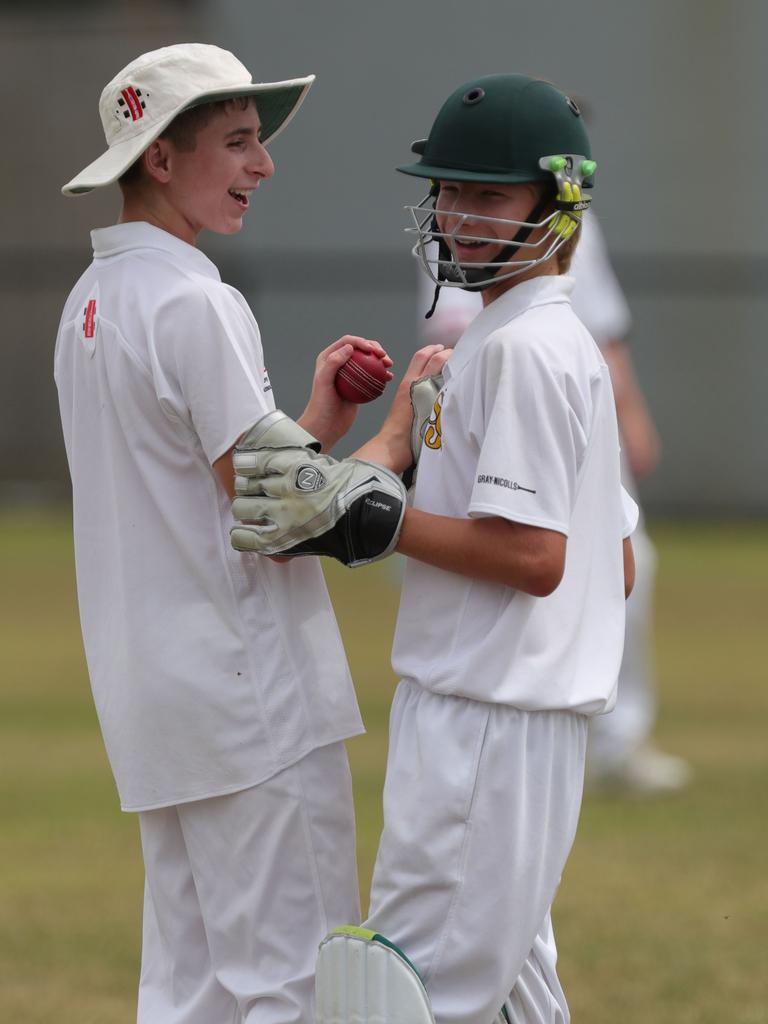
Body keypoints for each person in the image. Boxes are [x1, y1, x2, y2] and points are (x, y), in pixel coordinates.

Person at [229, 74, 638, 1024]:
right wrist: (404, 464)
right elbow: (607, 562)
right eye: (449, 189)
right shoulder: (527, 336)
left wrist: (372, 516)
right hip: (512, 722)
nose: (458, 213)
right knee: (511, 998)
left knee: (406, 996)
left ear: (557, 203)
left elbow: (538, 560)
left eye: (488, 194)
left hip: (483, 721)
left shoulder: (525, 350)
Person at [53, 42, 438, 1024]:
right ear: (160, 160)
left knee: (188, 995)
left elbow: (220, 488)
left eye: (256, 142)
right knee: (296, 988)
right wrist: (401, 430)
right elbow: (280, 510)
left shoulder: (89, 304)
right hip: (249, 697)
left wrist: (313, 423)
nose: (262, 166)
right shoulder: (193, 297)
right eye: (236, 143)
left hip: (158, 699)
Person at [417, 213, 691, 794]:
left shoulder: (568, 234)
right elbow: (455, 327)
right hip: (507, 411)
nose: (465, 204)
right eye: (457, 190)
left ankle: (610, 736)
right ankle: (560, 727)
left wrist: (382, 523)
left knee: (613, 565)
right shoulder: (476, 238)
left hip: (565, 407)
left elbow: (603, 326)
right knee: (505, 573)